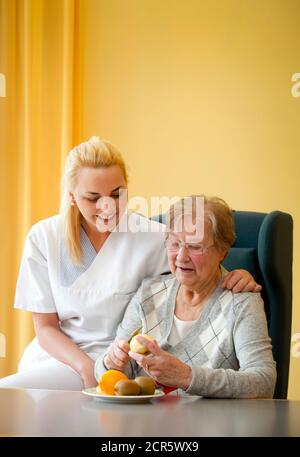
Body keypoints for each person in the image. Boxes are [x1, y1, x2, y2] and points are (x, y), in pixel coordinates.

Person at [0, 138, 261, 391]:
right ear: (71, 197)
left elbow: (196, 264)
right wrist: (87, 370)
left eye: (117, 194)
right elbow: (45, 329)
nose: (108, 207)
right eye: (93, 198)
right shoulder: (44, 238)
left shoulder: (152, 236)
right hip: (60, 360)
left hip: (120, 363)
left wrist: (237, 275)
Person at [95, 195, 276, 398]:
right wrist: (110, 363)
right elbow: (107, 372)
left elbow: (264, 382)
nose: (181, 256)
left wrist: (188, 377)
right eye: (175, 243)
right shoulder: (149, 293)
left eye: (195, 246)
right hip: (145, 425)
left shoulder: (241, 302)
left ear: (223, 251)